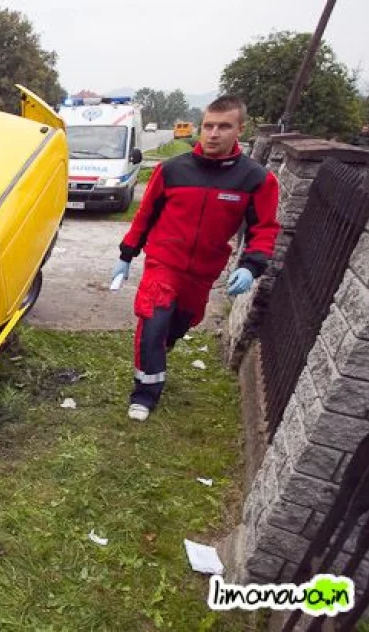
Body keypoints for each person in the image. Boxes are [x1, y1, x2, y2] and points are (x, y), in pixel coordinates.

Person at [112, 95, 281, 422]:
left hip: (202, 273)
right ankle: (144, 394)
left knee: (177, 327)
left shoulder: (256, 180)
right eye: (208, 126)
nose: (214, 133)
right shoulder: (171, 170)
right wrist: (127, 254)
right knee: (153, 325)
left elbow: (265, 227)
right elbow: (145, 215)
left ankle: (160, 353)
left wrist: (250, 266)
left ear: (239, 130)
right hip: (164, 264)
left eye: (224, 126)